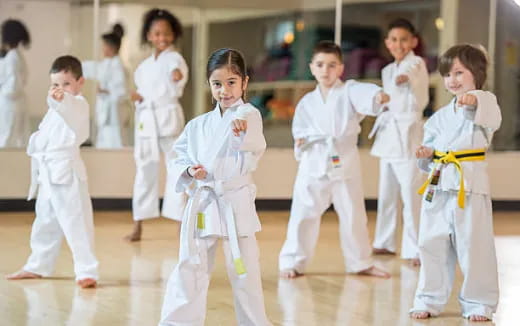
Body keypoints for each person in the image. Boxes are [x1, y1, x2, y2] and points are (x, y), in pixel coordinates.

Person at [159, 48, 272, 326]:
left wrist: (239, 135)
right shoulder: (199, 125)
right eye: (217, 83)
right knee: (191, 265)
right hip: (205, 200)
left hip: (234, 201)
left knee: (244, 270)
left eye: (232, 82)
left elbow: (252, 140)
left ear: (245, 82)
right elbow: (178, 155)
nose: (224, 90)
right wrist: (188, 170)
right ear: (209, 84)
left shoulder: (248, 114)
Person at [278, 41, 391, 279]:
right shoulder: (307, 102)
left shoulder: (348, 90)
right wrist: (300, 141)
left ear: (341, 68)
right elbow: (299, 130)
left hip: (344, 161)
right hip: (313, 162)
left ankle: (360, 262)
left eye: (331, 65)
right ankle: (293, 261)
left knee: (353, 214)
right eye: (320, 65)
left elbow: (364, 93)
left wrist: (378, 96)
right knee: (302, 214)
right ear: (312, 68)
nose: (325, 70)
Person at [410, 44, 500, 322]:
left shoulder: (486, 102)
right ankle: (428, 299)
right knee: (430, 244)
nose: (453, 80)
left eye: (459, 72)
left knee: (475, 247)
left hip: (469, 186)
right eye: (448, 74)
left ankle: (478, 303)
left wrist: (476, 102)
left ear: (477, 72)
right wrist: (425, 155)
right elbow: (429, 151)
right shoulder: (438, 117)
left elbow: (492, 119)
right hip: (439, 184)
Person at [6, 55, 99, 289]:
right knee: (44, 221)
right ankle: (38, 265)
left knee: (76, 222)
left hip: (67, 173)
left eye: (66, 84)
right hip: (48, 172)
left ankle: (87, 270)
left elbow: (69, 108)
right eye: (55, 85)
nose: (60, 90)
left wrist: (62, 100)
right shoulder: (52, 111)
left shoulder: (78, 104)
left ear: (80, 83)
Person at [370, 18, 429, 265]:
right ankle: (384, 242)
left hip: (409, 134)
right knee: (386, 194)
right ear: (387, 43)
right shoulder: (386, 70)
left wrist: (405, 77)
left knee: (411, 194)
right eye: (393, 39)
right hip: (389, 137)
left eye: (404, 39)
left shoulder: (416, 63)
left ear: (413, 41)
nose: (398, 44)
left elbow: (411, 75)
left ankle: (416, 249)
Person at [126, 8, 188, 241]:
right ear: (149, 36)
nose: (162, 38)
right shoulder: (143, 67)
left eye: (166, 34)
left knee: (176, 169)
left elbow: (178, 73)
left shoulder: (175, 59)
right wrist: (138, 98)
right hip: (146, 122)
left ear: (174, 35)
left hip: (168, 119)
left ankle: (181, 222)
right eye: (157, 34)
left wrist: (176, 75)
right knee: (144, 171)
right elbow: (143, 93)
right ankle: (138, 224)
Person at [82, 23, 130, 148]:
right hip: (106, 115)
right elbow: (94, 69)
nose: (102, 49)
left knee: (114, 144)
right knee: (104, 143)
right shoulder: (107, 64)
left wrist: (105, 91)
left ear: (110, 48)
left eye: (103, 46)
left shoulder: (117, 66)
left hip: (114, 115)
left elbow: (122, 92)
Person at [0, 19, 30, 148]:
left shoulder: (12, 57)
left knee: (7, 138)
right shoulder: (15, 55)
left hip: (10, 104)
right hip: (15, 103)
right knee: (14, 138)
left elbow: (13, 86)